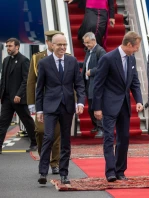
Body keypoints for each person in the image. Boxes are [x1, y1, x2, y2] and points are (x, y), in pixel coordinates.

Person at [92, 31, 143, 182]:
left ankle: (120, 170)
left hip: (124, 105)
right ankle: (110, 172)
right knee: (108, 138)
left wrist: (138, 100)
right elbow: (98, 84)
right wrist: (97, 107)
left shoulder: (131, 59)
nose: (137, 50)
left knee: (124, 138)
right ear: (128, 44)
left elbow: (135, 82)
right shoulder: (108, 58)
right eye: (136, 47)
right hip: (108, 105)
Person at [36, 34, 85, 185]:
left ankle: (64, 173)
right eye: (59, 45)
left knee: (65, 140)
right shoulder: (44, 63)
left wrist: (81, 102)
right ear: (52, 45)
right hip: (50, 106)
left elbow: (79, 84)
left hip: (67, 106)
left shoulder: (72, 61)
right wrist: (39, 110)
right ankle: (43, 172)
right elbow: (39, 88)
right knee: (48, 137)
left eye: (64, 44)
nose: (63, 47)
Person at [27, 30, 63, 174]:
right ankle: (44, 157)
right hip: (43, 102)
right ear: (49, 43)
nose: (61, 47)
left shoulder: (65, 57)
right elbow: (31, 82)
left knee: (56, 133)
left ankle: (55, 163)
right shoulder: (37, 58)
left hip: (60, 102)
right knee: (40, 131)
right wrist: (31, 103)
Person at [0, 38, 37, 154]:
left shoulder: (24, 60)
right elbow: (3, 79)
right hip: (6, 98)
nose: (8, 48)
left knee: (27, 121)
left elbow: (26, 80)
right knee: (2, 122)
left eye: (10, 46)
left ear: (17, 47)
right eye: (7, 46)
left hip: (18, 99)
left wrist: (19, 94)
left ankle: (35, 142)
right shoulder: (5, 60)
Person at [81, 32, 106, 137]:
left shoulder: (100, 51)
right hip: (88, 83)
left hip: (96, 84)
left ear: (93, 40)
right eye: (85, 43)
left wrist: (92, 72)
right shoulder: (89, 51)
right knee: (90, 107)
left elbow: (104, 67)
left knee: (96, 106)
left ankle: (102, 128)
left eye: (88, 42)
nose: (86, 45)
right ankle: (96, 125)